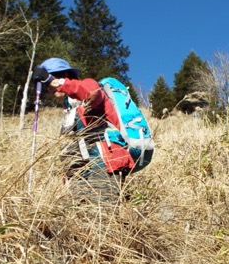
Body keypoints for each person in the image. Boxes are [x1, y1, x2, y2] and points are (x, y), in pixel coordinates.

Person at [33, 58, 152, 200]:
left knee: (102, 212)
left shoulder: (88, 85)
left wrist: (55, 82)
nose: (49, 87)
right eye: (46, 84)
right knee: (78, 215)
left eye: (52, 78)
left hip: (105, 160)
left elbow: (90, 92)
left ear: (65, 75)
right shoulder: (70, 110)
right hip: (82, 169)